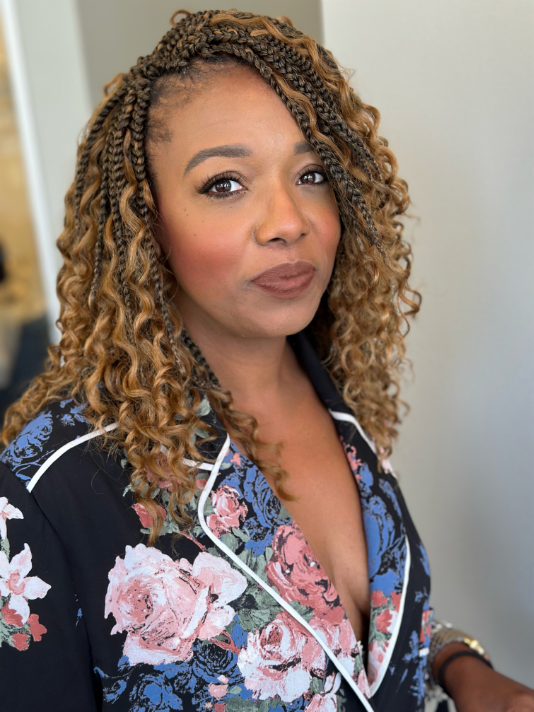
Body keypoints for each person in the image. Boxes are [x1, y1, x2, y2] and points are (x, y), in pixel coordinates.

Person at [0, 9, 531, 712]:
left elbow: (347, 639)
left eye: (312, 174)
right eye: (225, 183)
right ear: (145, 221)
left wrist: (461, 665)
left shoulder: (339, 395)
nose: (289, 221)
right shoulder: (47, 493)